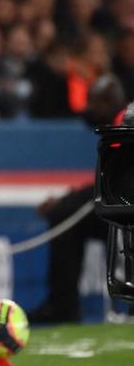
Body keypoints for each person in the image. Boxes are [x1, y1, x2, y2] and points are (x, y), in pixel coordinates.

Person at [29, 73, 129, 324]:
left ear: (108, 101)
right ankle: (62, 306)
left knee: (65, 214)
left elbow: (117, 184)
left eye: (94, 103)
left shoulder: (122, 125)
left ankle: (63, 308)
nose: (88, 110)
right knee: (68, 213)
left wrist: (66, 202)